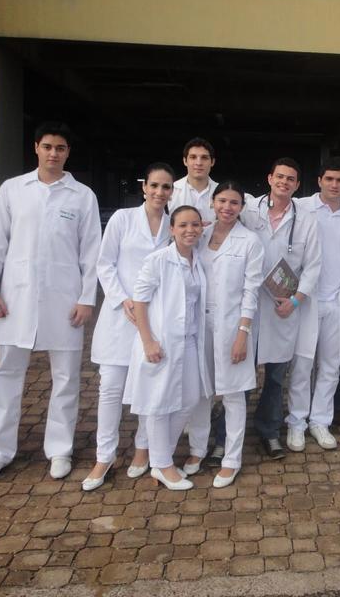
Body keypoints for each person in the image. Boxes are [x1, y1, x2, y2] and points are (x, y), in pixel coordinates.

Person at [0, 122, 102, 486]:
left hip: (65, 301)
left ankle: (59, 449)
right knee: (8, 376)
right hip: (16, 298)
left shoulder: (82, 196)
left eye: (60, 148)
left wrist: (85, 299)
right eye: (47, 146)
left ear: (67, 153)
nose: (53, 153)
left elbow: (91, 252)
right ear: (36, 148)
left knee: (65, 379)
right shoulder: (14, 190)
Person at [82, 163, 174, 491]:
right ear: (144, 187)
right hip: (120, 315)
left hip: (155, 318)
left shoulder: (172, 225)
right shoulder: (122, 219)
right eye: (154, 186)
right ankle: (103, 456)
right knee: (110, 388)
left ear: (172, 191)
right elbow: (104, 264)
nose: (159, 192)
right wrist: (124, 300)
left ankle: (142, 448)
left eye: (166, 187)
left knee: (149, 387)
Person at [123, 205, 212, 491]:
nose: (190, 230)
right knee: (159, 405)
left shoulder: (198, 260)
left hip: (189, 342)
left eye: (195, 225)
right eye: (183, 225)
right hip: (161, 343)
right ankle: (162, 465)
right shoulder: (158, 260)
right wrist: (148, 341)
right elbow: (140, 300)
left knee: (188, 401)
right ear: (171, 229)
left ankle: (161, 459)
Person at [242, 158, 321, 460]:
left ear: (297, 185)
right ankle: (229, 429)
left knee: (276, 377)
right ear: (270, 178)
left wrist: (296, 300)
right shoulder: (251, 212)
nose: (284, 182)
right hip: (251, 304)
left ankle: (269, 431)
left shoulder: (306, 220)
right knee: (243, 373)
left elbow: (313, 266)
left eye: (291, 179)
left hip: (283, 306)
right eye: (280, 177)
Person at [190, 182, 264, 488]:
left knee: (233, 395)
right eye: (222, 201)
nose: (227, 208)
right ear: (212, 201)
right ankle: (196, 450)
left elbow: (251, 291)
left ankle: (231, 459)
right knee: (200, 391)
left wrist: (242, 334)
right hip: (198, 325)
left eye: (234, 203)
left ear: (242, 207)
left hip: (233, 325)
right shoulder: (200, 235)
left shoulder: (250, 241)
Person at [291, 159, 340, 451]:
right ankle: (296, 422)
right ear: (319, 180)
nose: (335, 185)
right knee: (301, 365)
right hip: (306, 300)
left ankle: (320, 421)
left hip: (337, 301)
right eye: (329, 179)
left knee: (331, 367)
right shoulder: (301, 208)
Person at [167, 137, 218, 221]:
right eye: (193, 157)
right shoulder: (170, 191)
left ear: (212, 162)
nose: (198, 163)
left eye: (204, 158)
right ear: (185, 161)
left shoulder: (223, 193)